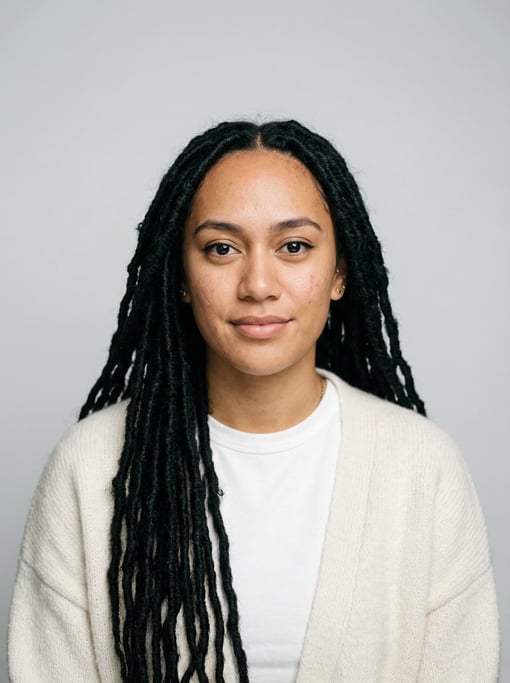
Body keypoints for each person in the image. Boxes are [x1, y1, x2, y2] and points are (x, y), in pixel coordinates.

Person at [8, 120, 499, 682]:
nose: (258, 283)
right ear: (183, 277)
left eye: (294, 246)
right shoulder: (90, 466)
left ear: (340, 272)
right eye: (221, 248)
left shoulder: (422, 466)